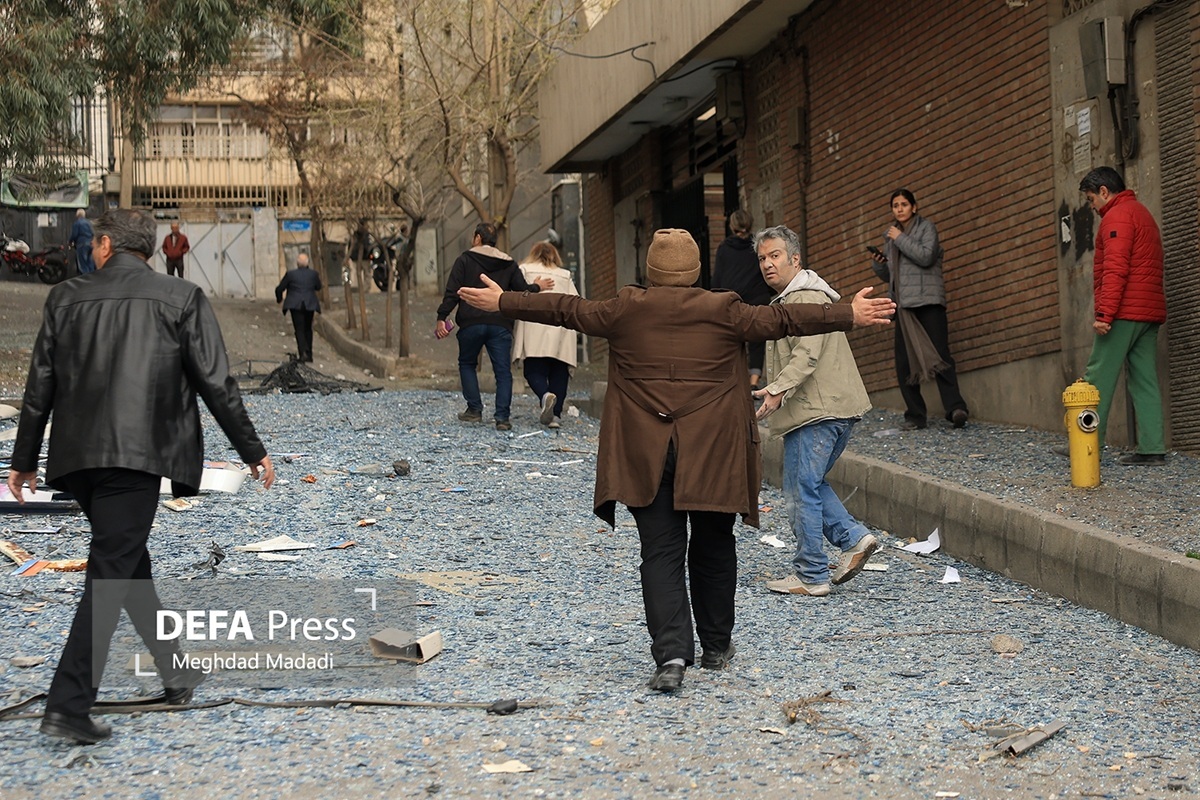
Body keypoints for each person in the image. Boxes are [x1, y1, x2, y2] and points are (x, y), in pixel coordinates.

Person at [458, 228, 895, 693]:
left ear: (650, 270)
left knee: (660, 552)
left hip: (646, 455)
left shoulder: (626, 307)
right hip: (713, 452)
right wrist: (848, 314)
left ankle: (670, 656)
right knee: (714, 546)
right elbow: (786, 319)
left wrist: (504, 301)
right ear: (696, 271)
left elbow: (567, 310)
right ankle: (716, 646)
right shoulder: (724, 309)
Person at [8, 209, 275, 744]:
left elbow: (40, 383)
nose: (91, 250)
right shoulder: (181, 297)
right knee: (112, 570)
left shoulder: (65, 297)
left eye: (94, 243)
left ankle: (175, 672)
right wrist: (252, 450)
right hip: (137, 458)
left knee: (127, 560)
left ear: (106, 245)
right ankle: (68, 706)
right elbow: (216, 382)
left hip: (78, 461)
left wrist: (25, 458)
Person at [751, 226, 878, 597]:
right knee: (808, 484)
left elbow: (807, 354)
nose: (767, 264)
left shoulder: (804, 296)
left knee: (800, 490)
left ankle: (811, 574)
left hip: (816, 412)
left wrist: (777, 389)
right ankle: (853, 539)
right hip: (827, 409)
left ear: (795, 259)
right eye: (762, 258)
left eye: (775, 255)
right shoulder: (799, 296)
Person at [1067, 166, 1167, 465]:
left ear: (1104, 191)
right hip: (1148, 312)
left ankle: (1086, 444)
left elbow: (1115, 269)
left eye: (1091, 199)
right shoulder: (1141, 213)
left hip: (1125, 312)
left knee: (1097, 377)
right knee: (1144, 379)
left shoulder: (1117, 217)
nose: (1092, 206)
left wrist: (1104, 314)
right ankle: (1152, 448)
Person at [435, 222, 551, 431]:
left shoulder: (464, 260)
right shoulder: (509, 263)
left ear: (478, 238)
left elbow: (453, 292)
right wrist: (537, 286)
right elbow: (521, 291)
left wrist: (442, 317)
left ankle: (474, 410)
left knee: (467, 364)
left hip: (471, 323)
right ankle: (502, 418)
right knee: (503, 372)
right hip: (500, 323)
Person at [869, 189, 969, 430]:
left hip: (928, 301)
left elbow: (926, 257)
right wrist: (879, 263)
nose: (899, 209)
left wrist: (899, 239)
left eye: (904, 204)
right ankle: (915, 416)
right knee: (904, 363)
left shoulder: (926, 228)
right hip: (904, 307)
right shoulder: (891, 237)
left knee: (941, 356)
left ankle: (956, 409)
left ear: (914, 207)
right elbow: (891, 275)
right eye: (895, 205)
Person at [512, 241, 579, 428]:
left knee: (533, 371)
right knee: (559, 372)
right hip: (560, 330)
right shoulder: (565, 275)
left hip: (534, 328)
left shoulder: (525, 270)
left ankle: (545, 395)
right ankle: (555, 416)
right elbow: (576, 302)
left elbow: (517, 293)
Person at [712, 210, 773, 388]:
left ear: (731, 226)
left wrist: (716, 299)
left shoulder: (724, 249)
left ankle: (736, 380)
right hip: (757, 297)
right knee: (757, 341)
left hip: (732, 300)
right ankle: (754, 381)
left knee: (732, 340)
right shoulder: (758, 246)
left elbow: (717, 279)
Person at [275, 252, 322, 363]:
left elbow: (279, 288)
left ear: (297, 263)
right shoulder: (313, 274)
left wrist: (279, 299)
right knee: (308, 328)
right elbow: (318, 287)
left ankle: (302, 353)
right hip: (309, 304)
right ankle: (309, 354)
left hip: (295, 305)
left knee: (299, 329)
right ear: (308, 263)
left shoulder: (291, 274)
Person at [69, 209, 95, 275]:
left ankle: (85, 277)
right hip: (91, 243)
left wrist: (70, 242)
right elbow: (93, 233)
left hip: (82, 244)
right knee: (90, 262)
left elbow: (74, 235)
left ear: (77, 215)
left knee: (82, 263)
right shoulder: (89, 223)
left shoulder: (77, 223)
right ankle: (92, 277)